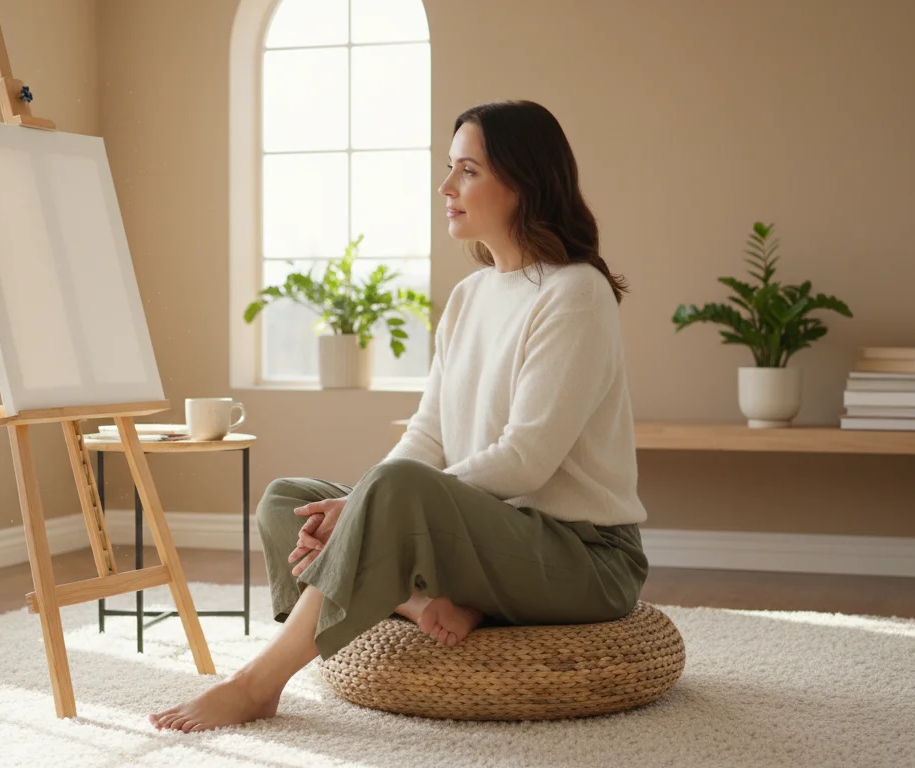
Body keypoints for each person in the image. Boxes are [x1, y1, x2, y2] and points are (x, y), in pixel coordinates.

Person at [149, 99, 650, 733]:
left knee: (385, 493)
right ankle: (420, 604)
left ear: (524, 182)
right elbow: (428, 435)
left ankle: (256, 683)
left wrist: (365, 505)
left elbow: (527, 458)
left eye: (467, 171)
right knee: (288, 502)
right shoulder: (469, 297)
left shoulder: (576, 292)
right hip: (494, 535)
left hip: (584, 556)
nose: (446, 188)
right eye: (449, 169)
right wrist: (355, 502)